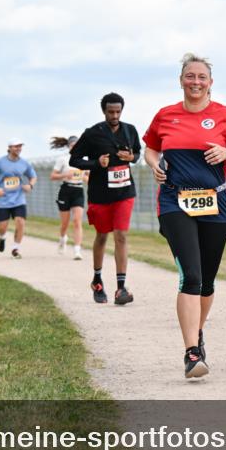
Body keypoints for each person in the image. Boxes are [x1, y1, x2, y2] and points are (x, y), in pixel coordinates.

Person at [143, 53, 226, 379]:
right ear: (181, 80)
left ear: (210, 83)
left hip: (215, 205)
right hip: (175, 203)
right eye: (189, 76)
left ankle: (197, 331)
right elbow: (150, 148)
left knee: (206, 281)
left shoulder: (225, 116)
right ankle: (192, 352)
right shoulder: (165, 116)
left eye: (201, 77)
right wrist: (153, 164)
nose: (195, 82)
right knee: (190, 276)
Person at [68, 93, 141, 305]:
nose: (115, 115)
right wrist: (96, 163)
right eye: (111, 112)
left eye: (118, 111)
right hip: (100, 194)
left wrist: (132, 158)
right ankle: (97, 280)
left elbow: (137, 153)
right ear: (104, 111)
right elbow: (74, 159)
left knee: (121, 235)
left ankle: (121, 289)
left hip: (124, 192)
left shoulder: (130, 130)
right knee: (102, 236)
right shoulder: (92, 133)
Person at [0, 139, 38, 258]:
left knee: (20, 222)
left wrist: (30, 185)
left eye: (20, 146)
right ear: (9, 147)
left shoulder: (24, 163)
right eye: (16, 146)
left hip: (19, 198)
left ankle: (15, 248)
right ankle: (2, 237)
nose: (18, 148)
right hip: (3, 199)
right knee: (3, 226)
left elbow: (33, 176)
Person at [49, 135, 87, 260]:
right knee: (64, 223)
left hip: (78, 190)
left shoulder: (84, 159)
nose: (74, 147)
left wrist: (83, 177)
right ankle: (63, 238)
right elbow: (53, 176)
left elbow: (88, 178)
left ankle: (77, 250)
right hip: (65, 190)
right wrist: (65, 174)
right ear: (68, 146)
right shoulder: (63, 159)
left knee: (77, 220)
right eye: (72, 145)